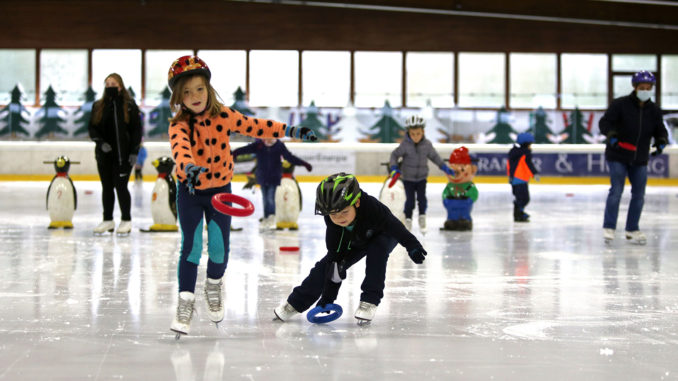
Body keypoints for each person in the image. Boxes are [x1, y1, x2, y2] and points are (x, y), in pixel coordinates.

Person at [166, 55, 316, 336]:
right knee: (193, 247)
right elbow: (180, 148)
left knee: (220, 248)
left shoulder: (223, 115)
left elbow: (257, 126)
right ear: (179, 97)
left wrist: (291, 131)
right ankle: (185, 302)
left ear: (208, 88)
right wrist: (188, 167)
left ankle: (214, 285)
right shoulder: (179, 124)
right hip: (190, 190)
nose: (194, 96)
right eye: (186, 92)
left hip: (220, 190)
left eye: (199, 88)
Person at [273, 173, 427, 325]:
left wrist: (412, 245)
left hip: (384, 234)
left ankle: (369, 301)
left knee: (377, 251)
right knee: (325, 265)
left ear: (357, 202)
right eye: (333, 214)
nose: (339, 218)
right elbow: (335, 261)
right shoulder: (334, 223)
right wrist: (328, 298)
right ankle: (294, 303)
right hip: (357, 239)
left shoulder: (373, 208)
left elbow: (396, 227)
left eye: (344, 212)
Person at [599, 70, 668, 244]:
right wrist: (612, 136)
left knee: (639, 195)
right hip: (618, 155)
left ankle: (632, 229)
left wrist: (661, 141)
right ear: (635, 87)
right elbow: (605, 123)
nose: (645, 90)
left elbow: (660, 129)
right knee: (616, 191)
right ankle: (609, 227)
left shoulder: (654, 110)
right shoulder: (620, 104)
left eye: (648, 87)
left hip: (640, 158)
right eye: (642, 87)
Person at [88, 73, 142, 235]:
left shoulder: (129, 106)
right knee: (107, 187)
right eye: (107, 83)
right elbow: (92, 128)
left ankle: (126, 220)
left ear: (120, 86)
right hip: (104, 156)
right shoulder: (98, 106)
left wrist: (134, 151)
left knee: (121, 187)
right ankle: (108, 220)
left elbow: (136, 131)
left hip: (124, 157)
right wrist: (100, 142)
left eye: (113, 83)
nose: (110, 86)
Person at [388, 115, 454, 231]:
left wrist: (443, 166)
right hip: (408, 178)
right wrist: (394, 167)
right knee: (410, 201)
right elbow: (394, 155)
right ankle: (408, 219)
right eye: (413, 134)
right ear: (408, 133)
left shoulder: (427, 145)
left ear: (423, 132)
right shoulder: (405, 145)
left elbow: (434, 156)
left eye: (418, 134)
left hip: (421, 178)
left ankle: (422, 216)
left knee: (422, 199)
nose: (416, 137)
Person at [232, 138, 312, 230]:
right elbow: (246, 149)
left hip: (274, 177)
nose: (268, 138)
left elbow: (290, 157)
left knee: (270, 197)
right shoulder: (259, 145)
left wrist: (304, 164)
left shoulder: (279, 146)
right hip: (262, 177)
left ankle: (272, 218)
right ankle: (266, 218)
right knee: (265, 198)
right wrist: (235, 152)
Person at [442, 146, 479, 231]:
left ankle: (465, 221)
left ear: (473, 170)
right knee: (452, 218)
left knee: (464, 217)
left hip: (464, 208)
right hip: (452, 207)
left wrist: (468, 202)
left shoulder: (470, 186)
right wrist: (446, 202)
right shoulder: (449, 187)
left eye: (462, 168)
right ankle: (451, 221)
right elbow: (444, 195)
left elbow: (474, 195)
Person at [507, 132, 539, 222]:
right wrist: (535, 173)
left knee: (520, 198)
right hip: (520, 179)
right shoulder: (524, 153)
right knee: (524, 198)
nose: (531, 146)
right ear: (526, 143)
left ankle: (518, 213)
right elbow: (529, 164)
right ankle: (519, 213)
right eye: (530, 144)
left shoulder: (514, 152)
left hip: (515, 179)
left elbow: (512, 166)